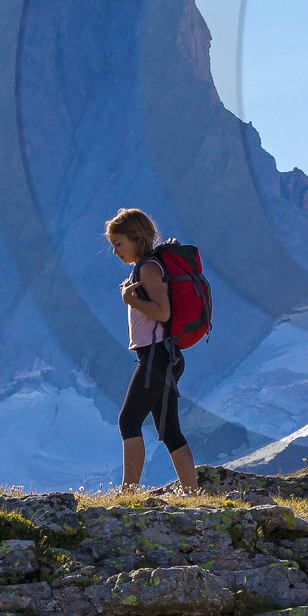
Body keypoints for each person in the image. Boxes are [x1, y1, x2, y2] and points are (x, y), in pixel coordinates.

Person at [107, 208, 198, 493]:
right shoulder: (146, 267)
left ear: (136, 237)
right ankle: (193, 493)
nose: (115, 251)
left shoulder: (148, 268)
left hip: (158, 355)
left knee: (128, 420)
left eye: (119, 243)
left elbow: (163, 312)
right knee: (169, 431)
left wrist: (129, 300)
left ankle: (128, 492)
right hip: (164, 356)